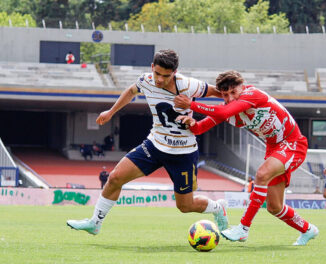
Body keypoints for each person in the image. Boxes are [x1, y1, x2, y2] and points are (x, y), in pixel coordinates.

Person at [67, 49, 228, 235]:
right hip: (155, 145)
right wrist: (110, 112)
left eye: (166, 76)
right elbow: (130, 91)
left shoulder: (189, 85)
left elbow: (222, 95)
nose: (160, 79)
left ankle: (218, 208)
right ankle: (95, 223)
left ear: (175, 72)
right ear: (152, 67)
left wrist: (195, 111)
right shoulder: (146, 80)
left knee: (185, 206)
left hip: (183, 152)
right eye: (157, 73)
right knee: (114, 178)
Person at [174, 70, 318, 246]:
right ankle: (308, 229)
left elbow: (221, 113)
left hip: (292, 143)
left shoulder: (252, 94)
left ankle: (243, 228)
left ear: (242, 87)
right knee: (274, 207)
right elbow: (200, 128)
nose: (230, 98)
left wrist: (192, 104)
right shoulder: (229, 111)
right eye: (225, 95)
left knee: (262, 174)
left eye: (233, 92)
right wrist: (191, 123)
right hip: (274, 149)